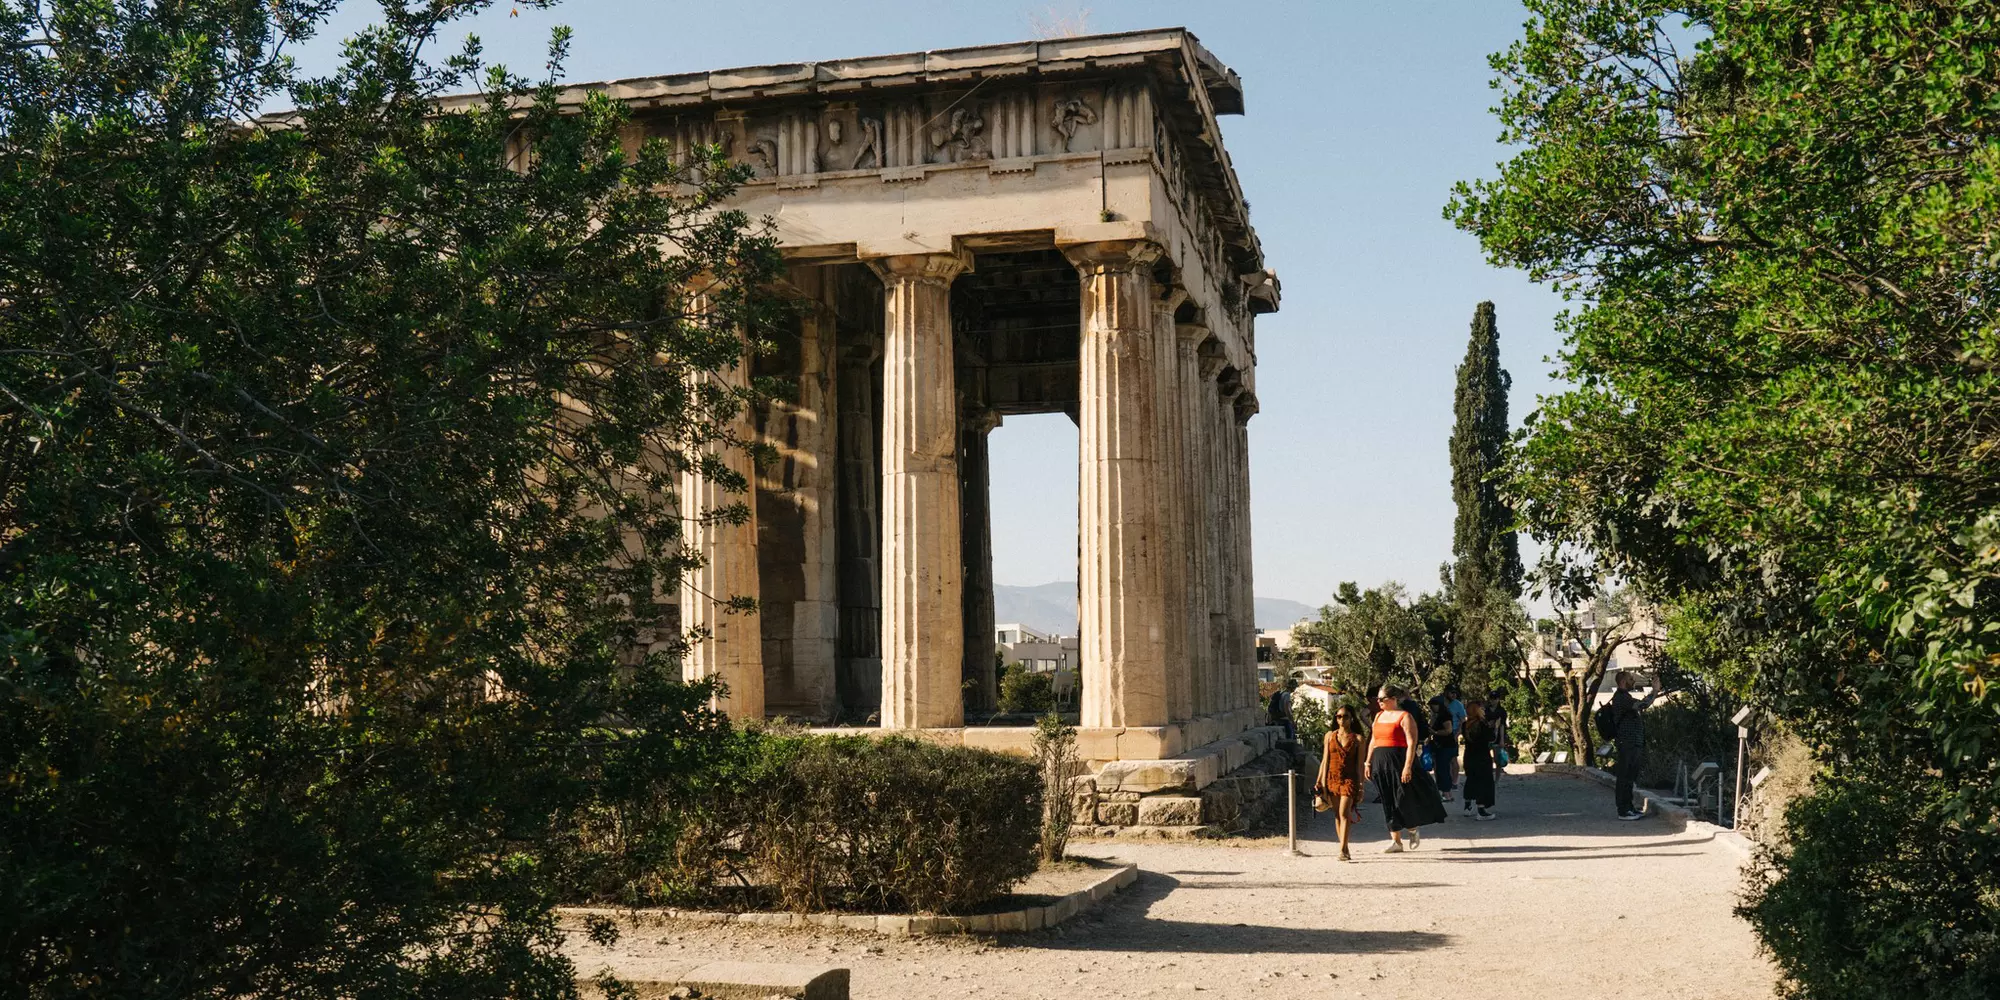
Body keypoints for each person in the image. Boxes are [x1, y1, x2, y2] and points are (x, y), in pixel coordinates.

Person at [1363, 685, 1424, 853]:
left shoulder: (1405, 716)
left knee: (1402, 797)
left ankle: (1412, 828)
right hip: (1380, 760)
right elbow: (1374, 740)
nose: (1379, 702)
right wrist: (1367, 762)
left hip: (1398, 759)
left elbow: (1412, 743)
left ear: (1393, 699)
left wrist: (1407, 767)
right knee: (1387, 800)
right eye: (1378, 699)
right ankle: (1396, 841)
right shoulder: (1378, 716)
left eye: (1382, 699)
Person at [1315, 703, 1367, 862]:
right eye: (1338, 716)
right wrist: (1319, 782)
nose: (1342, 719)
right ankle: (1344, 847)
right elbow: (1325, 760)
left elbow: (1359, 765)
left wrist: (1361, 786)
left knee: (1345, 813)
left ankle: (1343, 850)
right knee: (1337, 815)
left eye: (1345, 716)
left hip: (1349, 779)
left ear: (1351, 718)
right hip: (1332, 778)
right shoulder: (1329, 736)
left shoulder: (1358, 739)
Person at [1610, 670, 1661, 820]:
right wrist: (1655, 690)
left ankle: (1629, 807)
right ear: (1623, 682)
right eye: (1631, 679)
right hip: (1627, 742)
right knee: (1625, 776)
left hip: (1632, 742)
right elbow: (1643, 705)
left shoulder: (1625, 697)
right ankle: (1623, 810)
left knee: (1630, 776)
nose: (1634, 681)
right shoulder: (1621, 698)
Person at [1460, 702, 1498, 820]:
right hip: (1482, 756)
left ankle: (1467, 806)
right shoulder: (1482, 724)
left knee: (1471, 779)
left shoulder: (1465, 725)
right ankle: (1481, 810)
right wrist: (1495, 727)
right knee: (1484, 782)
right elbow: (1491, 738)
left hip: (1469, 756)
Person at [1426, 695, 1458, 802]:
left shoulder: (1445, 715)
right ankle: (1444, 792)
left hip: (1446, 746)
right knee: (1440, 769)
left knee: (1443, 769)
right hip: (1439, 746)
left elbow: (1448, 730)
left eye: (1434, 705)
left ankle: (1446, 793)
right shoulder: (1436, 715)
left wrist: (1435, 733)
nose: (1432, 707)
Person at [1268, 678, 1297, 742]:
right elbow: (1287, 709)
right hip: (1284, 720)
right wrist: (1292, 721)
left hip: (1278, 718)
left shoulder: (1282, 693)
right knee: (1290, 738)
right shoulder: (1287, 695)